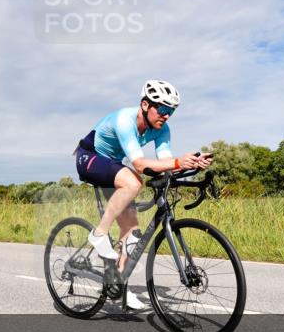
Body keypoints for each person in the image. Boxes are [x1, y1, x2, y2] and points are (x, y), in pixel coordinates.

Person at [74, 80, 212, 310]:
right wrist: (179, 162)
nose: (166, 116)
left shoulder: (162, 129)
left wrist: (192, 164)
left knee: (132, 234)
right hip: (89, 157)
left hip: (113, 165)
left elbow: (165, 162)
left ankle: (118, 284)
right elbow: (139, 164)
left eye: (171, 111)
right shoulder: (124, 120)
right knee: (134, 181)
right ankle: (99, 234)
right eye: (163, 109)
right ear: (146, 105)